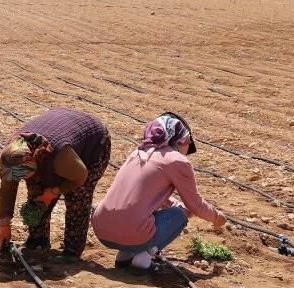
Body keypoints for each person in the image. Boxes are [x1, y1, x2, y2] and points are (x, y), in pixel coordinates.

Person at [91, 113, 226, 274]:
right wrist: (217, 217)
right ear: (177, 140)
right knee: (179, 216)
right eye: (187, 141)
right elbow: (195, 205)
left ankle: (124, 256)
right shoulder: (176, 160)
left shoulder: (138, 153)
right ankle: (143, 258)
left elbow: (148, 195)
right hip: (131, 231)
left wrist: (177, 204)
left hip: (101, 229)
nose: (188, 146)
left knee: (142, 212)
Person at [0, 107, 111, 258]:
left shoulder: (59, 156)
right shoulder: (13, 153)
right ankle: (38, 242)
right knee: (37, 193)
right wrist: (4, 224)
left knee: (77, 197)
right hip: (62, 132)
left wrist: (53, 192)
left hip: (93, 145)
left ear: (35, 162)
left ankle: (72, 251)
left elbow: (80, 176)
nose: (23, 180)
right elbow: (8, 184)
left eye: (25, 175)